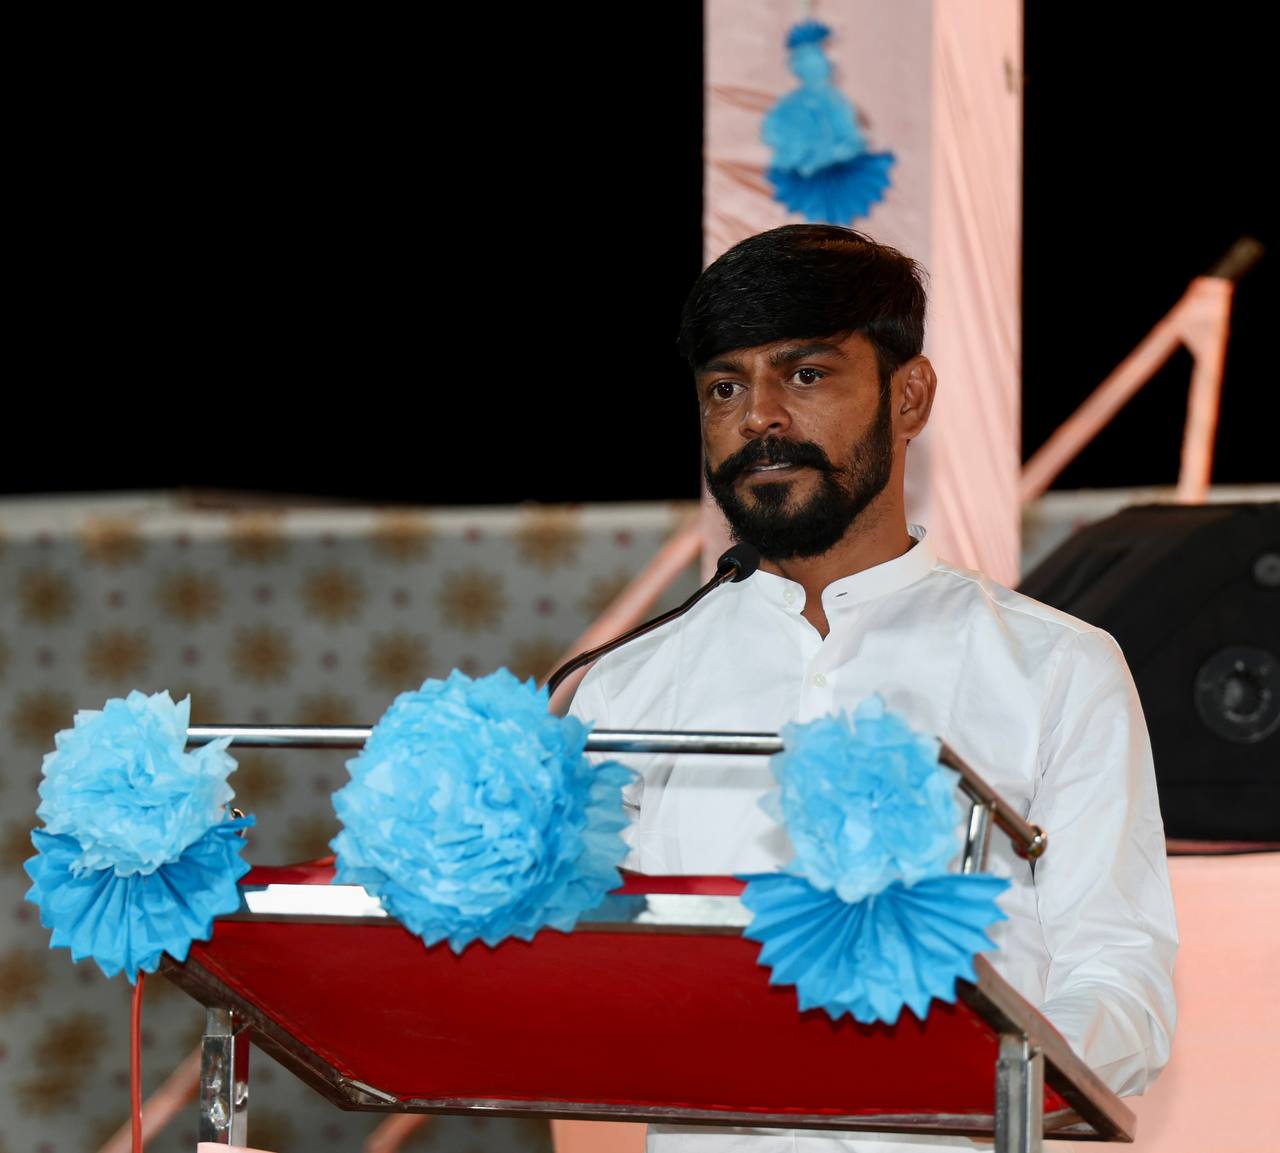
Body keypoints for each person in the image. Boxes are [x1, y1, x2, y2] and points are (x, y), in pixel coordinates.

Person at [568, 224, 1178, 1153]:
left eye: (806, 374)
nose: (759, 417)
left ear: (910, 395)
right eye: (725, 387)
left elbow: (1122, 973)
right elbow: (577, 978)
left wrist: (970, 1069)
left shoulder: (1057, 667)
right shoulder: (624, 685)